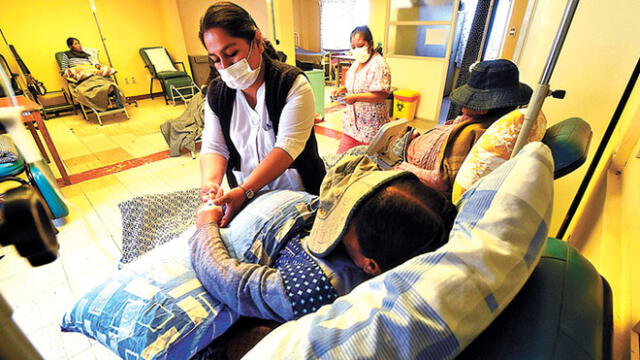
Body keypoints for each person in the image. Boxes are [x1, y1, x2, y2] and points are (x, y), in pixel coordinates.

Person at [190, 155, 457, 322]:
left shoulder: (316, 287)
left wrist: (206, 227)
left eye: (344, 222)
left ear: (370, 265)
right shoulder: (431, 225)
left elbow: (231, 283)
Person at [198, 2, 325, 227]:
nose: (225, 66)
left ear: (256, 41)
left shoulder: (291, 84)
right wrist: (211, 186)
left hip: (298, 195)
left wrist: (245, 191)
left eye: (231, 54)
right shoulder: (217, 94)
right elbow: (215, 147)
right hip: (247, 200)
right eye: (216, 59)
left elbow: (287, 148)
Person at [392, 59, 533, 194]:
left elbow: (440, 181)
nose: (463, 107)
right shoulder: (498, 121)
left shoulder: (474, 132)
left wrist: (405, 167)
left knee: (386, 144)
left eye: (468, 104)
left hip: (407, 157)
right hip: (416, 141)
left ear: (481, 109)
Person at [332, 25, 391, 154]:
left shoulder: (378, 64)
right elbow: (357, 83)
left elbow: (381, 94)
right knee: (341, 161)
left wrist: (355, 97)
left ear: (370, 44)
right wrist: (343, 89)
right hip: (352, 127)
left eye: (360, 45)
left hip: (371, 128)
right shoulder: (356, 63)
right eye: (353, 47)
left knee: (368, 166)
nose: (357, 50)